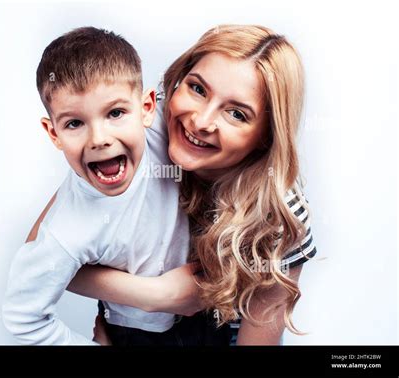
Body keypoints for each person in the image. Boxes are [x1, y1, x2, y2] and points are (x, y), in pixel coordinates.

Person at [26, 25, 318, 346]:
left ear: (267, 135)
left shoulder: (278, 210)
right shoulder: (141, 127)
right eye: (197, 89)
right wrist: (156, 296)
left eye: (236, 113)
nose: (201, 121)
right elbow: (40, 253)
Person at [2, 26, 230, 345]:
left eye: (116, 113)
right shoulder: (66, 229)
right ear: (53, 133)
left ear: (147, 108)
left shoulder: (161, 128)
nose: (99, 139)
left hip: (208, 313)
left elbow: (219, 80)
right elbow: (22, 316)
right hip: (141, 335)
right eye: (74, 123)